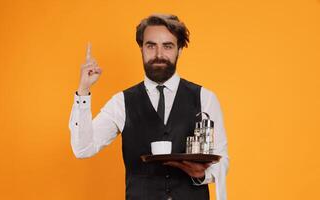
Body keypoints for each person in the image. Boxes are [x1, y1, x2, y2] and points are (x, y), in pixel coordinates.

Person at [69, 14, 229, 200]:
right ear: (141, 49)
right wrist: (83, 90)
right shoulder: (122, 101)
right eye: (151, 46)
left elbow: (222, 159)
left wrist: (201, 175)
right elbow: (82, 148)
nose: (159, 54)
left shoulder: (205, 98)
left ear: (179, 50)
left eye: (167, 46)